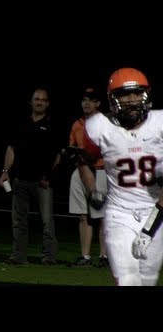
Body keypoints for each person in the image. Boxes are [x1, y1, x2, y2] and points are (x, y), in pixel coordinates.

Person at [79, 67, 163, 286]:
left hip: (156, 212)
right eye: (125, 95)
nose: (131, 100)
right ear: (113, 99)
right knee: (127, 279)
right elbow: (84, 160)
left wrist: (147, 230)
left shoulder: (160, 124)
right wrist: (91, 191)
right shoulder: (100, 126)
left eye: (136, 93)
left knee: (147, 280)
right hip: (120, 212)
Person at [0, 87, 60, 265]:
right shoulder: (21, 122)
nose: (39, 102)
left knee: (47, 222)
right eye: (36, 99)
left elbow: (58, 155)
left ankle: (49, 257)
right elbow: (11, 148)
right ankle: (18, 256)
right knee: (18, 221)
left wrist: (48, 176)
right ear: (31, 102)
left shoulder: (52, 124)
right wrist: (5, 172)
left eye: (43, 99)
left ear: (47, 103)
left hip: (43, 182)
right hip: (21, 179)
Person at [67, 87, 108, 267]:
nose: (86, 103)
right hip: (80, 169)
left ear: (98, 103)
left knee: (102, 216)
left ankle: (104, 257)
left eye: (91, 100)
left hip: (100, 170)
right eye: (84, 99)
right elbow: (72, 147)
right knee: (83, 215)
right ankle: (86, 257)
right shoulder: (77, 124)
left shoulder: (105, 123)